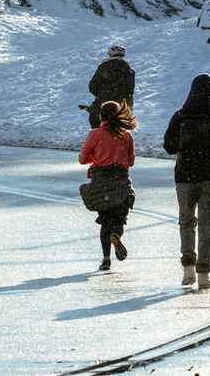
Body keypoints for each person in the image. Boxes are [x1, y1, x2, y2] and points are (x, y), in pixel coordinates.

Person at [163, 74, 210, 290]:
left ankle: (188, 268)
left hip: (185, 177)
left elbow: (168, 146)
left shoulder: (181, 115)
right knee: (206, 226)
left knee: (186, 222)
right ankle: (203, 273)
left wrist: (187, 148)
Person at [79, 100, 138, 271]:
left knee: (105, 221)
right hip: (121, 181)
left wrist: (98, 156)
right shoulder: (126, 135)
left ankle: (106, 259)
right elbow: (131, 161)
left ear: (101, 116)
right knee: (119, 218)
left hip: (101, 183)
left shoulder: (95, 134)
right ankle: (116, 235)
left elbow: (83, 159)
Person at [87, 45, 135, 129]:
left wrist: (103, 94)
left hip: (105, 102)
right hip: (123, 105)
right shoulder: (129, 71)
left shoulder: (104, 68)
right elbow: (130, 90)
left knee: (95, 120)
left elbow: (93, 86)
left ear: (110, 55)